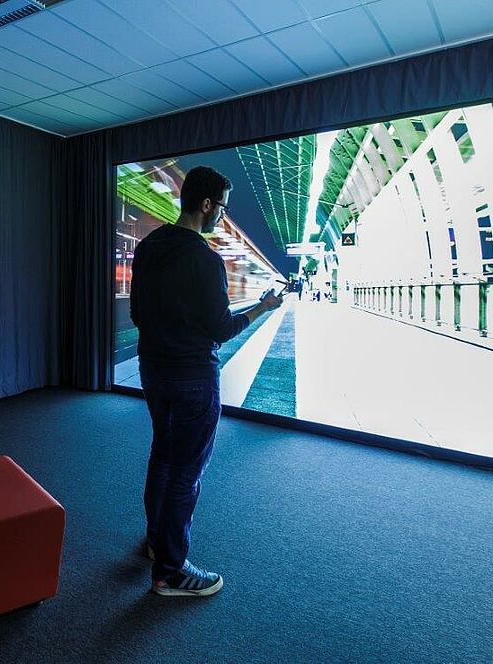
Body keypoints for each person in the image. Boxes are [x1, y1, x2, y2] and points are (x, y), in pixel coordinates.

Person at [129, 166, 284, 597]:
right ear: (206, 205)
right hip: (193, 378)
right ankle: (171, 571)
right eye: (223, 207)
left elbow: (138, 315)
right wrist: (263, 308)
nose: (222, 215)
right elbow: (220, 328)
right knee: (186, 473)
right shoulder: (204, 259)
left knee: (162, 457)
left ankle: (156, 543)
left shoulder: (147, 248)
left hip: (153, 372)